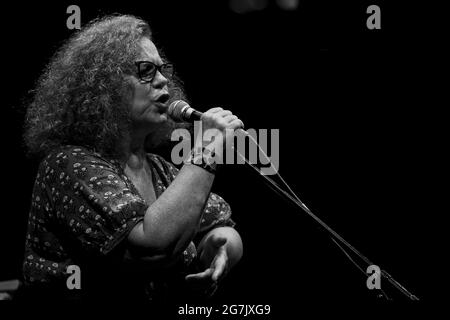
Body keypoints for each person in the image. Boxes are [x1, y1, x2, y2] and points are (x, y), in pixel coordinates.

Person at [20, 14, 243, 302]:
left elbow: (223, 224)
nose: (164, 80)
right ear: (105, 86)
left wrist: (222, 246)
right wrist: (207, 148)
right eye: (146, 70)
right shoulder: (69, 164)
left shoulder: (161, 170)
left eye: (163, 70)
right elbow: (151, 248)